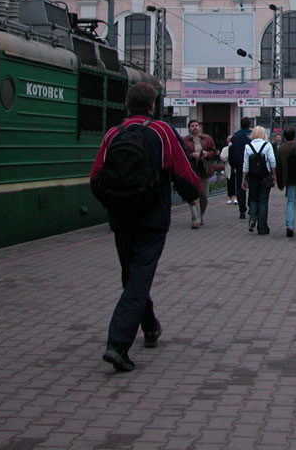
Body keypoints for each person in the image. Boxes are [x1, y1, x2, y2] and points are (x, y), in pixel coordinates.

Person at [90, 81, 200, 372]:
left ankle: (150, 327)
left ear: (126, 106)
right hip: (152, 219)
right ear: (153, 106)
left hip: (121, 219)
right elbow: (184, 174)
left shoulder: (113, 134)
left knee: (131, 277)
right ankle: (117, 344)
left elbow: (95, 179)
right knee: (138, 279)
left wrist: (114, 202)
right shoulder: (162, 131)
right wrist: (193, 197)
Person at [181, 120, 217, 229]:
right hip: (191, 171)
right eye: (192, 126)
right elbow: (182, 154)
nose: (195, 127)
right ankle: (195, 218)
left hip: (204, 170)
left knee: (204, 196)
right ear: (189, 128)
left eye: (196, 125)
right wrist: (192, 155)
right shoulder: (185, 140)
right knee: (193, 195)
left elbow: (214, 152)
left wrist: (207, 154)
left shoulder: (207, 139)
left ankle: (201, 215)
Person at [242, 125, 276, 235]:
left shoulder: (248, 147)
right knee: (263, 201)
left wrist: (244, 179)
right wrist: (274, 174)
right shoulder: (267, 145)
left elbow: (245, 164)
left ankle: (252, 218)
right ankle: (262, 227)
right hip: (265, 176)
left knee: (253, 199)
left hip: (252, 177)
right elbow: (272, 160)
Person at [228, 117, 253, 219]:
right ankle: (252, 207)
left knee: (240, 187)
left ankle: (242, 210)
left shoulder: (235, 136)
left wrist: (233, 164)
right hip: (252, 164)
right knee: (252, 186)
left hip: (239, 165)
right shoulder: (253, 135)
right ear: (249, 124)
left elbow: (231, 150)